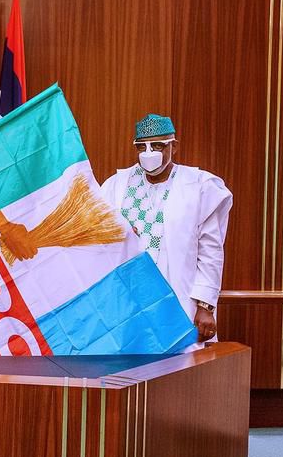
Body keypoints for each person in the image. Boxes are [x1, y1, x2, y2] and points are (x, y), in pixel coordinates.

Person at [100, 113, 233, 350]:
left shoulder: (200, 186)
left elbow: (211, 252)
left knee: (177, 370)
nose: (148, 153)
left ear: (175, 147)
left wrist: (206, 306)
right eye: (142, 147)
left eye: (158, 145)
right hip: (128, 300)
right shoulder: (115, 186)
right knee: (129, 368)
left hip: (178, 299)